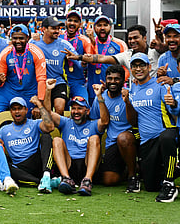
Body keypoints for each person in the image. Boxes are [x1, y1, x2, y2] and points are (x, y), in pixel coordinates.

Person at [125, 53, 178, 202]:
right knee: (150, 185)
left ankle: (170, 184)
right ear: (131, 69)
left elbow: (173, 110)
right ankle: (175, 169)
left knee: (166, 137)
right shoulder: (133, 88)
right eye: (135, 66)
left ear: (149, 67)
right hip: (146, 142)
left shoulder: (160, 85)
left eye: (142, 65)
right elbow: (133, 120)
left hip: (164, 135)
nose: (138, 69)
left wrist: (173, 103)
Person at [47, 79, 109, 196]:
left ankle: (87, 181)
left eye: (80, 108)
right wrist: (48, 91)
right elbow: (48, 114)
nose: (76, 111)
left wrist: (99, 96)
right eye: (73, 108)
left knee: (95, 138)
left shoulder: (93, 124)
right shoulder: (66, 122)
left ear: (87, 111)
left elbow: (105, 122)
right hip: (69, 165)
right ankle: (66, 179)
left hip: (88, 166)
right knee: (57, 140)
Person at [64, 24, 158, 97]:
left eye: (135, 38)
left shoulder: (155, 53)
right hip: (136, 94)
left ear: (145, 38)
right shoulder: (127, 55)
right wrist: (79, 57)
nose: (132, 41)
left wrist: (160, 36)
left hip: (153, 94)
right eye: (130, 39)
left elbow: (167, 48)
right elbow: (101, 58)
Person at [89, 65, 140, 192]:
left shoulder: (129, 96)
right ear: (105, 80)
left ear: (123, 80)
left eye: (117, 79)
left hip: (131, 138)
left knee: (123, 138)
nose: (112, 81)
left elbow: (134, 123)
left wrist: (127, 102)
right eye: (109, 78)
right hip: (112, 143)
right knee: (109, 180)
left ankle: (133, 176)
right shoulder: (100, 97)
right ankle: (132, 167)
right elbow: (96, 121)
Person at [0, 24, 46, 121]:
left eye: (21, 38)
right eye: (15, 38)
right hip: (9, 90)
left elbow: (41, 79)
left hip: (29, 91)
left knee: (30, 116)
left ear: (27, 38)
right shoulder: (5, 53)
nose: (18, 41)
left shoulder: (36, 52)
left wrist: (39, 103)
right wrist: (0, 80)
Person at [0, 96, 58, 193]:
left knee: (46, 137)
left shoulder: (34, 123)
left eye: (20, 109)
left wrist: (39, 105)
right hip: (19, 167)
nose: (17, 112)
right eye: (14, 109)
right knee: (3, 166)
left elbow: (50, 127)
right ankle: (44, 183)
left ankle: (46, 175)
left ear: (26, 110)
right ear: (10, 112)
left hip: (36, 161)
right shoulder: (4, 130)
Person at [31, 16, 80, 115]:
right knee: (39, 112)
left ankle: (59, 130)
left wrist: (79, 59)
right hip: (39, 83)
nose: (57, 31)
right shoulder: (33, 42)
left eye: (58, 28)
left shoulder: (64, 44)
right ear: (43, 29)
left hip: (57, 81)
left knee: (59, 108)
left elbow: (79, 62)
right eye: (53, 28)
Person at [60, 11, 94, 100]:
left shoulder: (84, 40)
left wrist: (84, 62)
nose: (72, 23)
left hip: (78, 82)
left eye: (75, 21)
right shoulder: (58, 38)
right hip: (60, 81)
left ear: (80, 24)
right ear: (65, 22)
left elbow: (89, 59)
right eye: (70, 20)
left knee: (83, 106)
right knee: (60, 109)